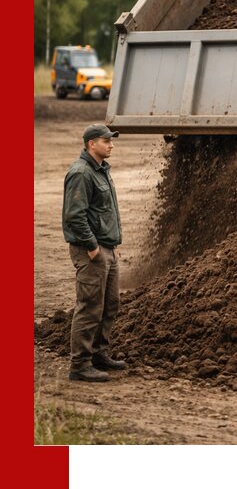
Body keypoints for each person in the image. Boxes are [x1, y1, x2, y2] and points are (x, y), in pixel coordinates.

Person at [62, 123, 126, 382]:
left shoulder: (100, 170)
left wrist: (112, 244)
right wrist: (92, 247)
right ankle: (79, 365)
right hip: (91, 251)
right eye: (106, 140)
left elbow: (102, 213)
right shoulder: (81, 173)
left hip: (106, 248)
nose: (111, 145)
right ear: (91, 144)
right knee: (89, 306)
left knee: (110, 304)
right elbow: (75, 216)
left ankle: (99, 353)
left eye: (111, 141)